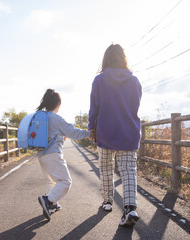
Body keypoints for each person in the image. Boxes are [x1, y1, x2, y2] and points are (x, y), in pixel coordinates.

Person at [88, 43, 142, 227]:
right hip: (129, 132)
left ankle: (107, 202)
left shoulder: (99, 81)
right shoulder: (134, 81)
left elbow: (94, 107)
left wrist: (91, 128)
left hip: (106, 132)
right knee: (128, 170)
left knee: (106, 168)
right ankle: (130, 208)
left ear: (106, 59)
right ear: (124, 59)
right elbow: (135, 106)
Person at [37, 89, 90, 221]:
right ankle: (48, 200)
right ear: (59, 104)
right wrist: (89, 133)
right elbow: (72, 132)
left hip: (41, 155)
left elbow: (50, 134)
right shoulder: (55, 118)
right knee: (66, 181)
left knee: (52, 180)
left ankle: (52, 205)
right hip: (52, 154)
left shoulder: (41, 117)